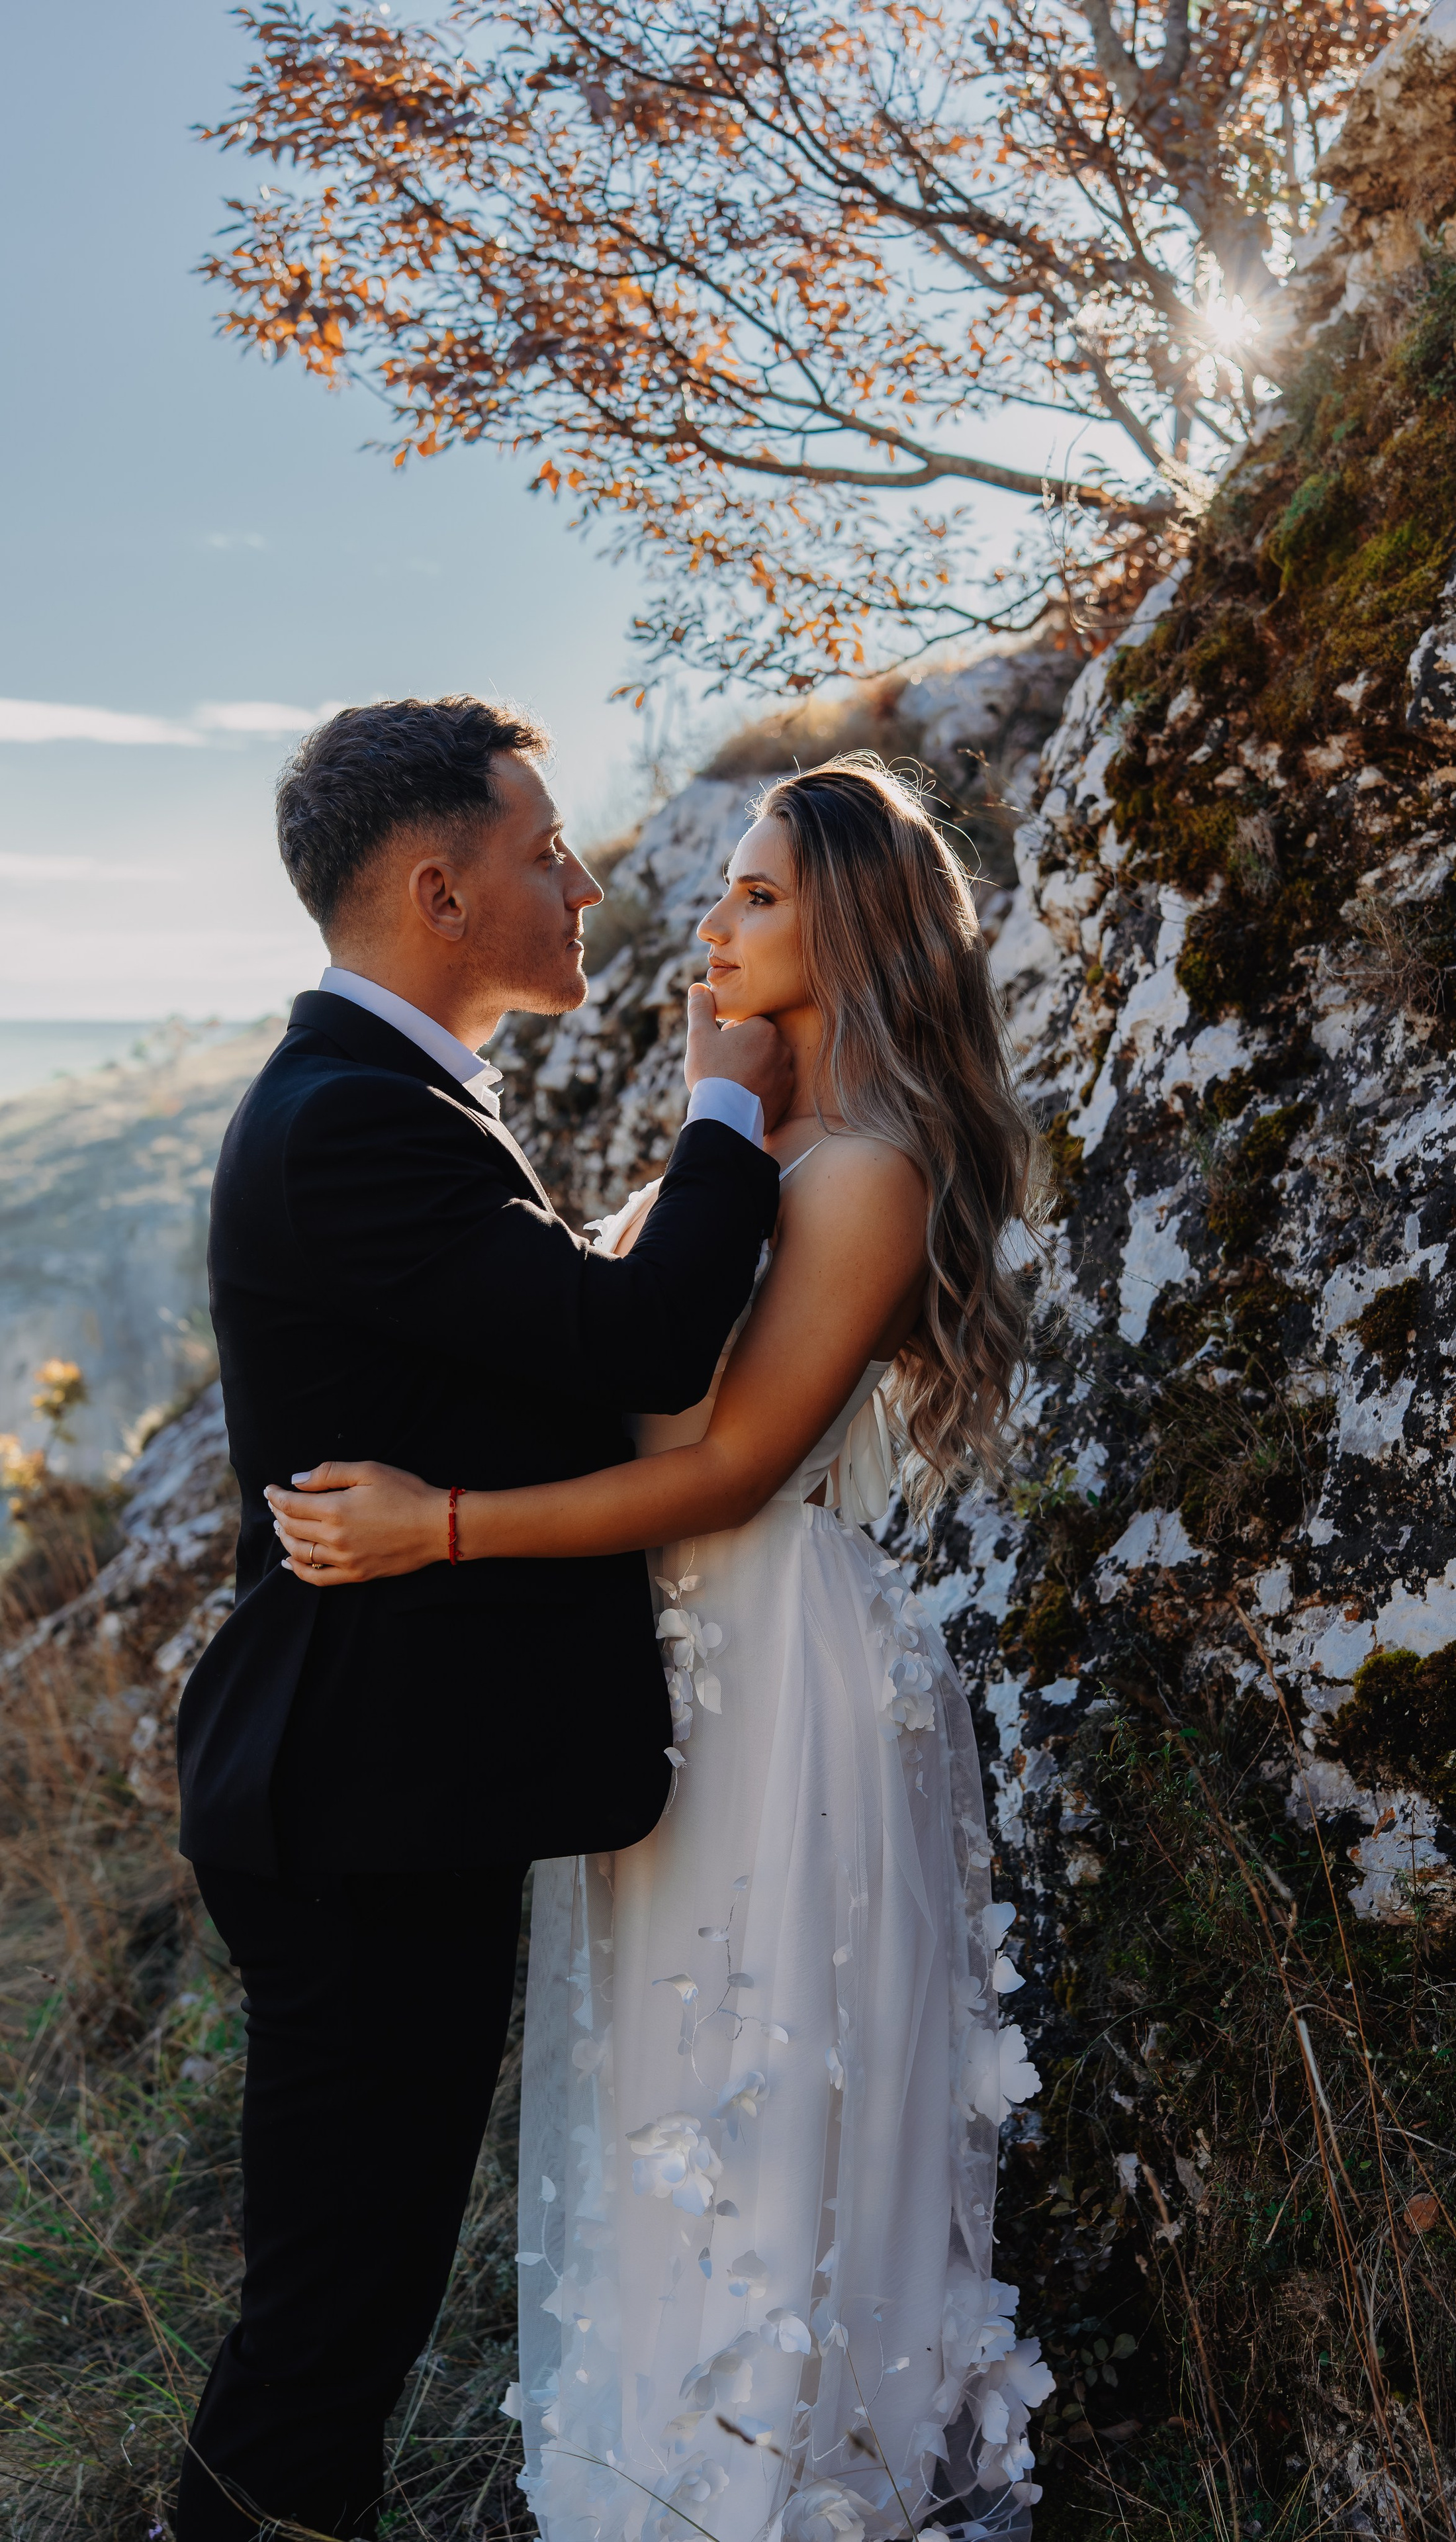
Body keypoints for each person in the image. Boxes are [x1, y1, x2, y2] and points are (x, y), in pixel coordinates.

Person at [265, 757, 1054, 2542]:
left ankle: (781, 2498)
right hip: (667, 1690)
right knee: (663, 2114)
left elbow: (724, 1469)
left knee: (767, 2112)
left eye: (761, 895)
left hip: (781, 1679)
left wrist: (434, 1525)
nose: (712, 923)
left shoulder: (867, 1169)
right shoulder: (753, 1139)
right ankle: (663, 2494)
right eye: (726, 890)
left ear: (852, 923)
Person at [173, 695, 794, 2542]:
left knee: (345, 2298)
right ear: (441, 890)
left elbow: (522, 1332)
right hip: (354, 1795)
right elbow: (637, 1345)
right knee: (329, 2321)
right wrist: (727, 1108)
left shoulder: (383, 1102)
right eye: (548, 850)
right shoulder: (354, 1118)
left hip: (379, 1786)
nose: (588, 878)